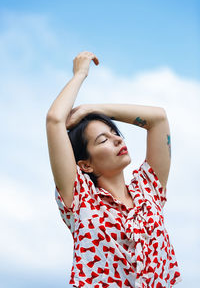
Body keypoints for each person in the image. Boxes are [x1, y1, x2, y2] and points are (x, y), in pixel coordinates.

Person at [46, 51, 182, 287]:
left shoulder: (148, 190)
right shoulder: (81, 201)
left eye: (115, 134)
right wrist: (80, 74)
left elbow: (158, 119)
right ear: (85, 164)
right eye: (103, 140)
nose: (118, 140)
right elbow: (54, 120)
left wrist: (93, 109)